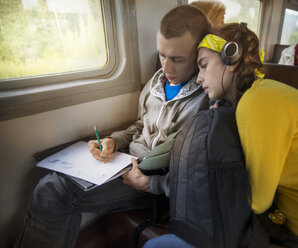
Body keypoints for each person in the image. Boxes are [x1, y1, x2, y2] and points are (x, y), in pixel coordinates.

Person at [14, 5, 211, 248]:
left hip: (149, 181)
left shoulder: (208, 99)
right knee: (49, 185)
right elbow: (141, 125)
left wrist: (150, 183)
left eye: (178, 59)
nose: (166, 67)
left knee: (54, 192)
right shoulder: (158, 80)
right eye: (161, 55)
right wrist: (113, 141)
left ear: (200, 55)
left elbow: (199, 173)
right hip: (125, 162)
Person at [144, 23, 298, 248]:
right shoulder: (256, 96)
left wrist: (157, 184)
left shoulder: (258, 102)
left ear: (231, 60)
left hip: (291, 232)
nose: (199, 78)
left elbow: (256, 201)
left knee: (155, 246)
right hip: (283, 221)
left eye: (204, 66)